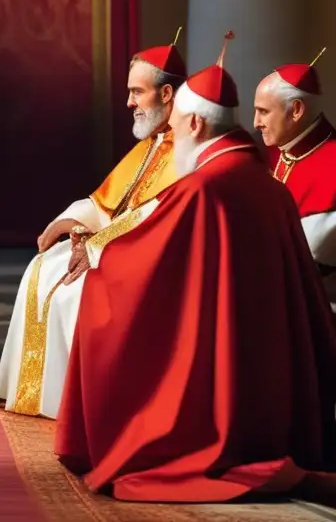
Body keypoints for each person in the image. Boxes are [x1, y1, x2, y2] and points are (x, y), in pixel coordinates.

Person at [55, 33, 336, 503]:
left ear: (198, 125)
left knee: (99, 297)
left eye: (180, 129)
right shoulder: (266, 183)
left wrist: (101, 264)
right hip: (262, 352)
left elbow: (146, 264)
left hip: (223, 348)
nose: (176, 139)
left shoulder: (204, 188)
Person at [0, 32, 186, 418]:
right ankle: (38, 397)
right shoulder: (152, 141)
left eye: (137, 92)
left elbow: (157, 220)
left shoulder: (186, 149)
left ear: (166, 95)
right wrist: (70, 222)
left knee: (69, 292)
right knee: (42, 267)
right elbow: (109, 201)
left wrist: (93, 244)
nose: (129, 102)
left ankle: (77, 406)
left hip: (150, 258)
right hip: (116, 243)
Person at [254, 49, 336, 308]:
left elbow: (313, 259)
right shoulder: (273, 149)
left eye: (264, 112)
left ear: (296, 110)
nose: (256, 122)